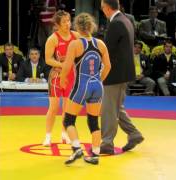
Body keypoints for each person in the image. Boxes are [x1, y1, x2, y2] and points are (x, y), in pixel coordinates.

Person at [60, 13, 111, 165]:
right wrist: (99, 80)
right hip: (97, 86)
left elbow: (67, 66)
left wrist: (63, 80)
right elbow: (108, 66)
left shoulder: (75, 44)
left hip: (82, 86)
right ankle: (95, 154)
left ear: (77, 27)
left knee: (68, 119)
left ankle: (76, 148)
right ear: (91, 27)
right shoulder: (100, 44)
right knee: (93, 121)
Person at [100, 0, 144, 154]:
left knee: (108, 109)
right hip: (123, 72)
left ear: (106, 7)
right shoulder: (126, 19)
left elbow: (107, 51)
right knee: (116, 106)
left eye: (102, 7)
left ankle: (106, 143)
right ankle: (134, 134)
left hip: (114, 73)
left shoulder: (115, 23)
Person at [42, 10, 79, 146]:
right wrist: (64, 65)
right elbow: (47, 59)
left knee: (67, 108)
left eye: (69, 20)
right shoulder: (53, 38)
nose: (67, 24)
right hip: (57, 77)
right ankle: (48, 136)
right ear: (57, 24)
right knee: (53, 108)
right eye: (64, 22)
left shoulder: (76, 36)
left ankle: (64, 134)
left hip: (71, 76)